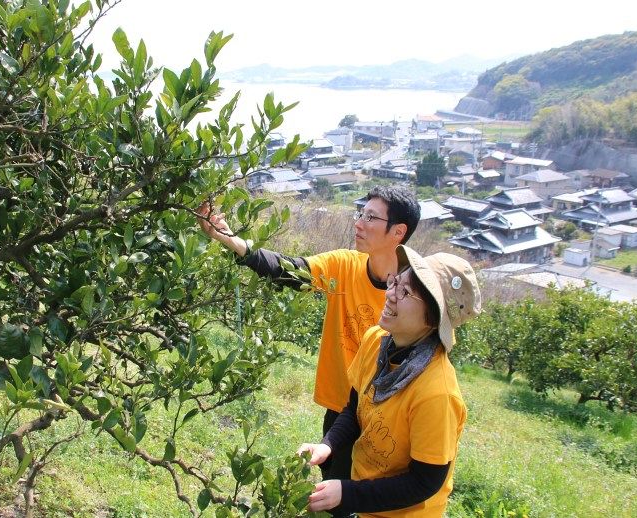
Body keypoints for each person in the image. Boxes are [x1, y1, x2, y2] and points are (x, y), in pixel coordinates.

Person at [198, 186, 421, 514]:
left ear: (398, 231)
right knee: (335, 500)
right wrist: (228, 237)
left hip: (386, 420)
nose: (359, 223)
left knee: (377, 501)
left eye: (371, 217)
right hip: (341, 411)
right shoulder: (344, 267)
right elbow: (287, 270)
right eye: (361, 213)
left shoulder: (415, 292)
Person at [297, 246, 481, 517]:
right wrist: (328, 444)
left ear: (432, 319)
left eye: (405, 293)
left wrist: (348, 493)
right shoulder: (376, 340)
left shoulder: (436, 393)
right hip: (368, 503)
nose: (390, 294)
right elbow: (355, 407)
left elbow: (425, 482)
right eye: (396, 282)